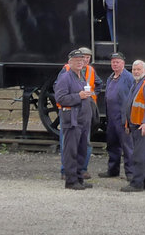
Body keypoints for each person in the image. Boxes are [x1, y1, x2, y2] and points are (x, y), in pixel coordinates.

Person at [54, 49, 94, 189]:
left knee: (82, 149)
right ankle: (71, 181)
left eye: (81, 60)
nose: (80, 62)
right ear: (70, 62)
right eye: (77, 60)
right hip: (72, 120)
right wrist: (79, 96)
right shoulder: (65, 78)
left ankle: (79, 178)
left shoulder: (81, 76)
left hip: (83, 119)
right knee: (71, 150)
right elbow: (60, 98)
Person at [120, 59, 145, 192]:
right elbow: (130, 105)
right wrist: (127, 124)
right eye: (134, 69)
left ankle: (136, 184)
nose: (136, 72)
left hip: (143, 124)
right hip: (136, 123)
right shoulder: (137, 83)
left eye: (138, 69)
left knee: (139, 155)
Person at [102, 51, 134, 178]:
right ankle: (112, 170)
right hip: (111, 118)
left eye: (117, 62)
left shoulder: (128, 78)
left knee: (127, 147)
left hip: (123, 118)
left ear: (123, 63)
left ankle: (131, 173)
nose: (115, 64)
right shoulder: (111, 77)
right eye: (113, 62)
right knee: (112, 145)